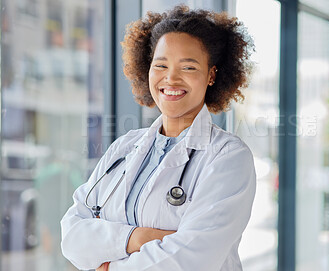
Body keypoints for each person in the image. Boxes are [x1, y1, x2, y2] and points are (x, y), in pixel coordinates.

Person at [60, 5, 256, 271]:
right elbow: (72, 235)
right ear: (147, 69)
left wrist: (110, 265)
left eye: (188, 67)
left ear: (211, 75)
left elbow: (190, 258)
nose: (171, 78)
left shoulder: (228, 157)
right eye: (161, 65)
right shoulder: (125, 147)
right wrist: (135, 238)